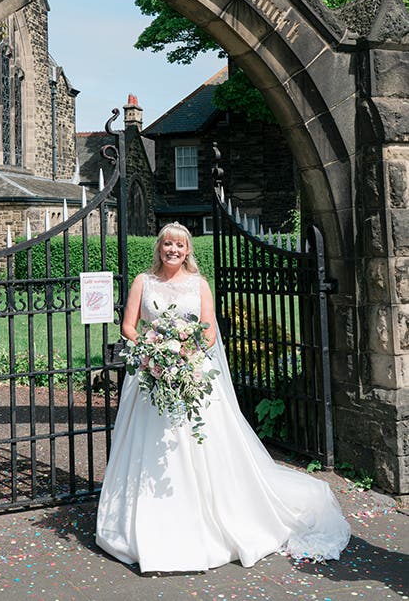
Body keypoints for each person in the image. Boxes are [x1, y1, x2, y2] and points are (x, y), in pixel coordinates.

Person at [96, 221, 351, 573]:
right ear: (159, 247)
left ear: (188, 251)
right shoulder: (143, 281)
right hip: (151, 375)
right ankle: (142, 522)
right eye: (167, 244)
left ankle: (205, 518)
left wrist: (186, 357)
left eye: (180, 246)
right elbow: (128, 326)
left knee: (201, 447)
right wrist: (153, 353)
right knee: (148, 446)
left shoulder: (199, 285)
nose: (173, 250)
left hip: (192, 374)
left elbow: (210, 331)